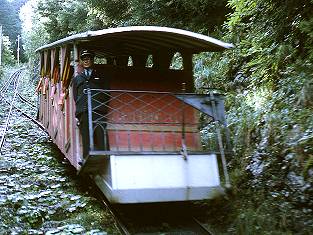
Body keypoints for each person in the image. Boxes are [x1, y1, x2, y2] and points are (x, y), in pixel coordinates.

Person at [72, 49, 109, 159]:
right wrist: (81, 107)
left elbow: (106, 93)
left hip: (98, 109)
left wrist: (101, 105)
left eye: (88, 58)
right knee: (86, 134)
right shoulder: (77, 78)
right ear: (81, 62)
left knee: (100, 132)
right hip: (83, 110)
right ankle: (87, 157)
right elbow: (75, 96)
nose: (86, 61)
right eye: (84, 59)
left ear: (92, 60)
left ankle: (104, 156)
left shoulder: (101, 76)